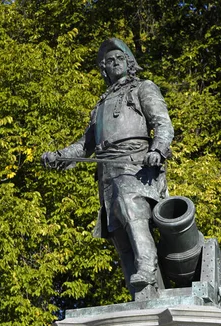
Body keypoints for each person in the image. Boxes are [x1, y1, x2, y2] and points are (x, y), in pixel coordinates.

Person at [41, 38, 174, 295]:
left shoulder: (142, 88)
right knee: (117, 232)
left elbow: (163, 122)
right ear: (104, 68)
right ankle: (139, 289)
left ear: (129, 63)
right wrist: (59, 156)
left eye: (120, 58)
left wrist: (157, 149)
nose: (115, 64)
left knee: (132, 211)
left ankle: (147, 266)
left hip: (136, 163)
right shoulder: (100, 105)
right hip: (107, 170)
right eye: (109, 61)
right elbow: (84, 144)